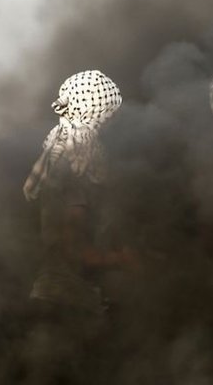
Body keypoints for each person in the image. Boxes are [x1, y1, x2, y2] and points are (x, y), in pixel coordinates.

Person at [23, 70, 133, 312]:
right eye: (106, 118)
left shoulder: (59, 159)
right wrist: (125, 260)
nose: (107, 128)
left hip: (62, 299)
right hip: (66, 304)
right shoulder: (71, 170)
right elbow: (75, 249)